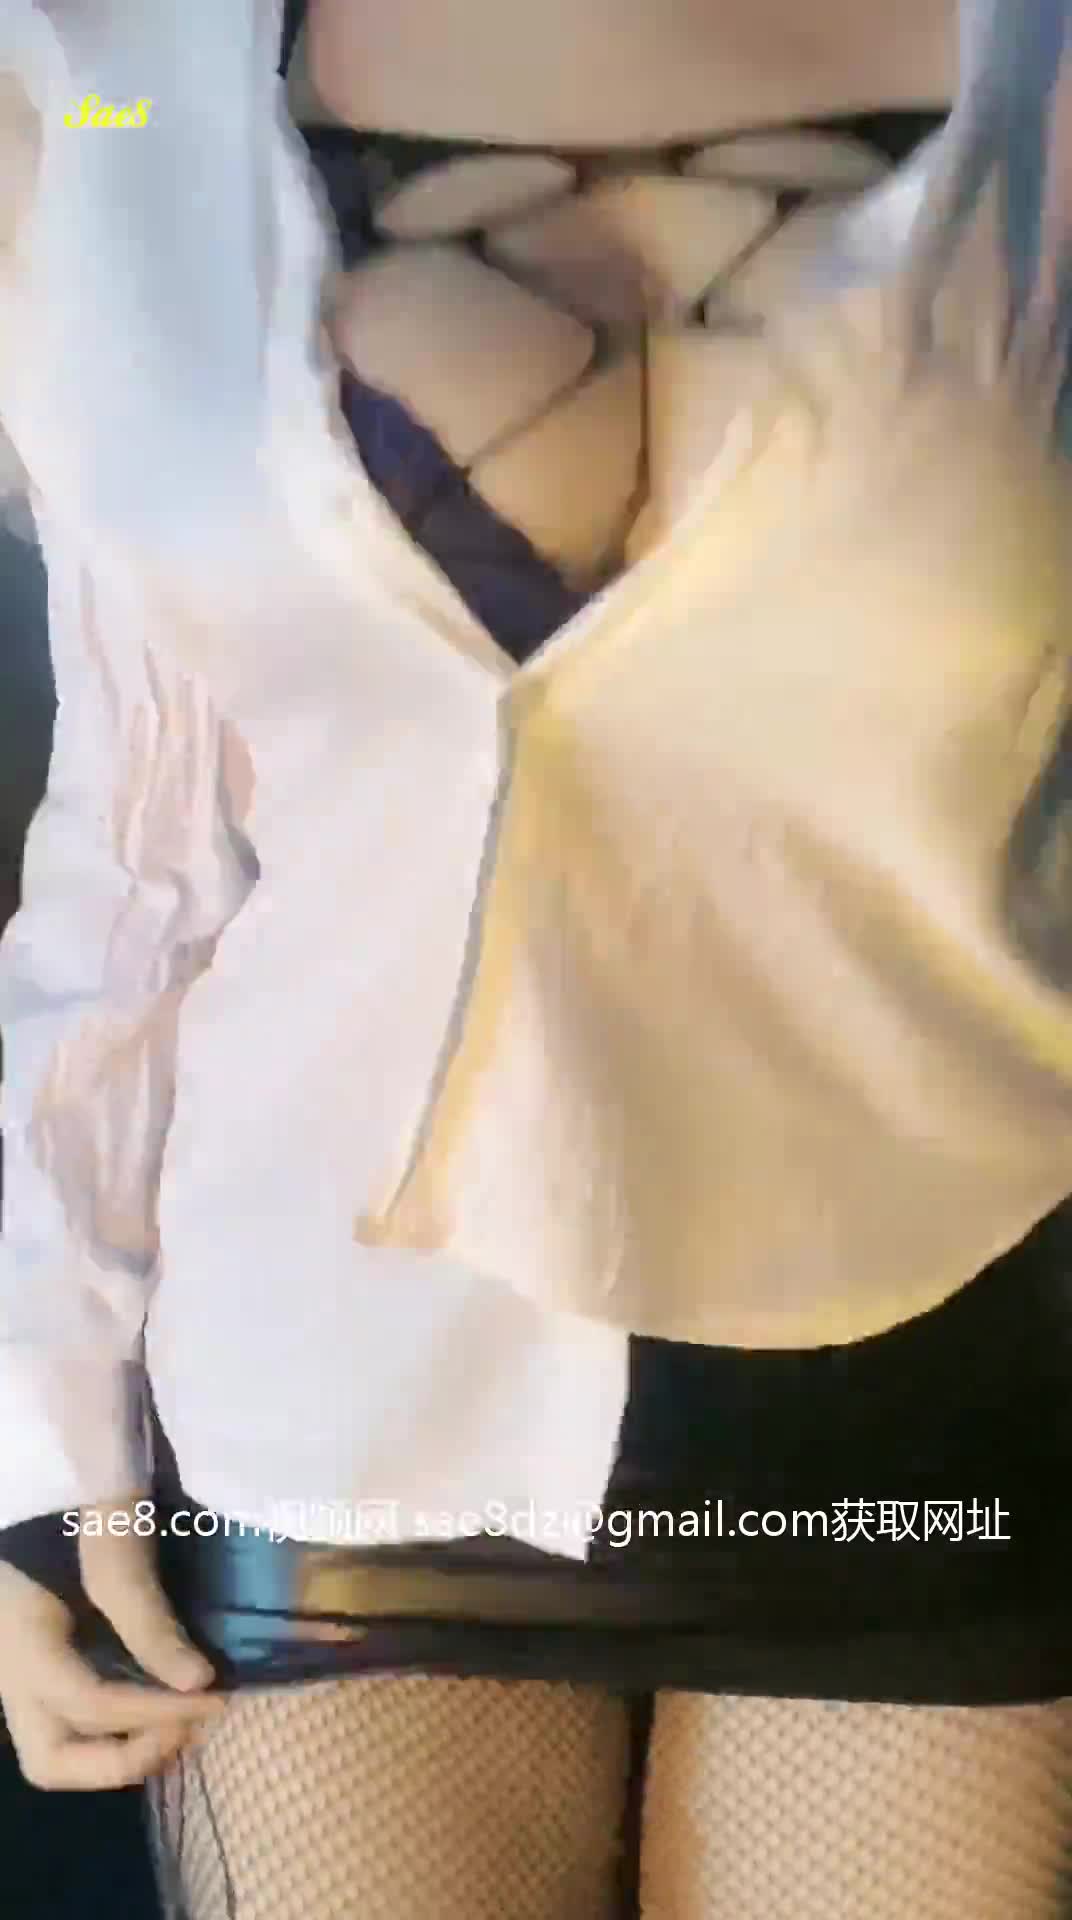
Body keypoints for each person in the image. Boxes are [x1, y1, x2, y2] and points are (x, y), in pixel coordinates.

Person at [2, 2, 1072, 1916]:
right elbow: (139, 842)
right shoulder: (112, 82)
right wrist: (42, 1433)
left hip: (940, 1407)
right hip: (339, 1404)